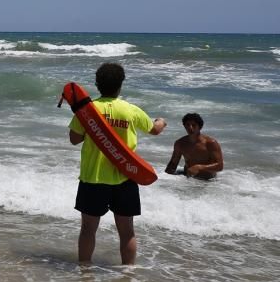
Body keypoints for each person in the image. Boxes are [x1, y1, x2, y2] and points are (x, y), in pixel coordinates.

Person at [68, 62, 166, 265]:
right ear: (121, 85)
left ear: (97, 84)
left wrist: (93, 129)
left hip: (92, 178)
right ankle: (128, 273)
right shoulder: (130, 110)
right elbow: (154, 130)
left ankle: (84, 270)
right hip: (126, 175)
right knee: (127, 231)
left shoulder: (88, 111)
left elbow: (74, 139)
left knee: (88, 230)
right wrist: (161, 121)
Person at [165, 113, 223, 180]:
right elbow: (173, 165)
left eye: (194, 125)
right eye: (187, 125)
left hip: (208, 182)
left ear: (200, 127)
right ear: (184, 126)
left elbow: (220, 166)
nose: (190, 128)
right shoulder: (180, 143)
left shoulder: (210, 143)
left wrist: (199, 167)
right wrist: (164, 178)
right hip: (187, 179)